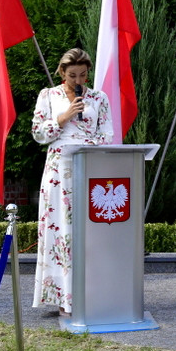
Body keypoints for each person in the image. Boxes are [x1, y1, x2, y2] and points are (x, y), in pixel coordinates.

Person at [31, 48, 113, 317]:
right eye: (72, 75)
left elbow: (107, 134)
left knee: (91, 229)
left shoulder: (99, 97)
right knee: (62, 230)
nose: (78, 80)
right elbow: (38, 134)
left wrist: (87, 144)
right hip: (59, 171)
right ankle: (64, 298)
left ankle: (94, 294)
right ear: (62, 73)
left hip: (89, 166)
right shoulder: (49, 95)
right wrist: (63, 117)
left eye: (83, 75)